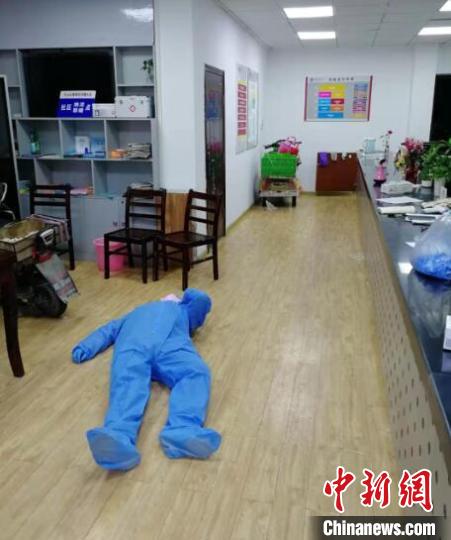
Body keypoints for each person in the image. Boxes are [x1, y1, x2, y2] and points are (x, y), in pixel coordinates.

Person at [72, 288, 221, 471]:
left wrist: (186, 296)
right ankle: (118, 435)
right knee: (127, 382)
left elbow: (201, 300)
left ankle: (183, 429)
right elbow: (107, 330)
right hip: (136, 345)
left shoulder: (183, 311)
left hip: (170, 345)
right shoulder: (131, 315)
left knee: (196, 372)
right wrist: (85, 347)